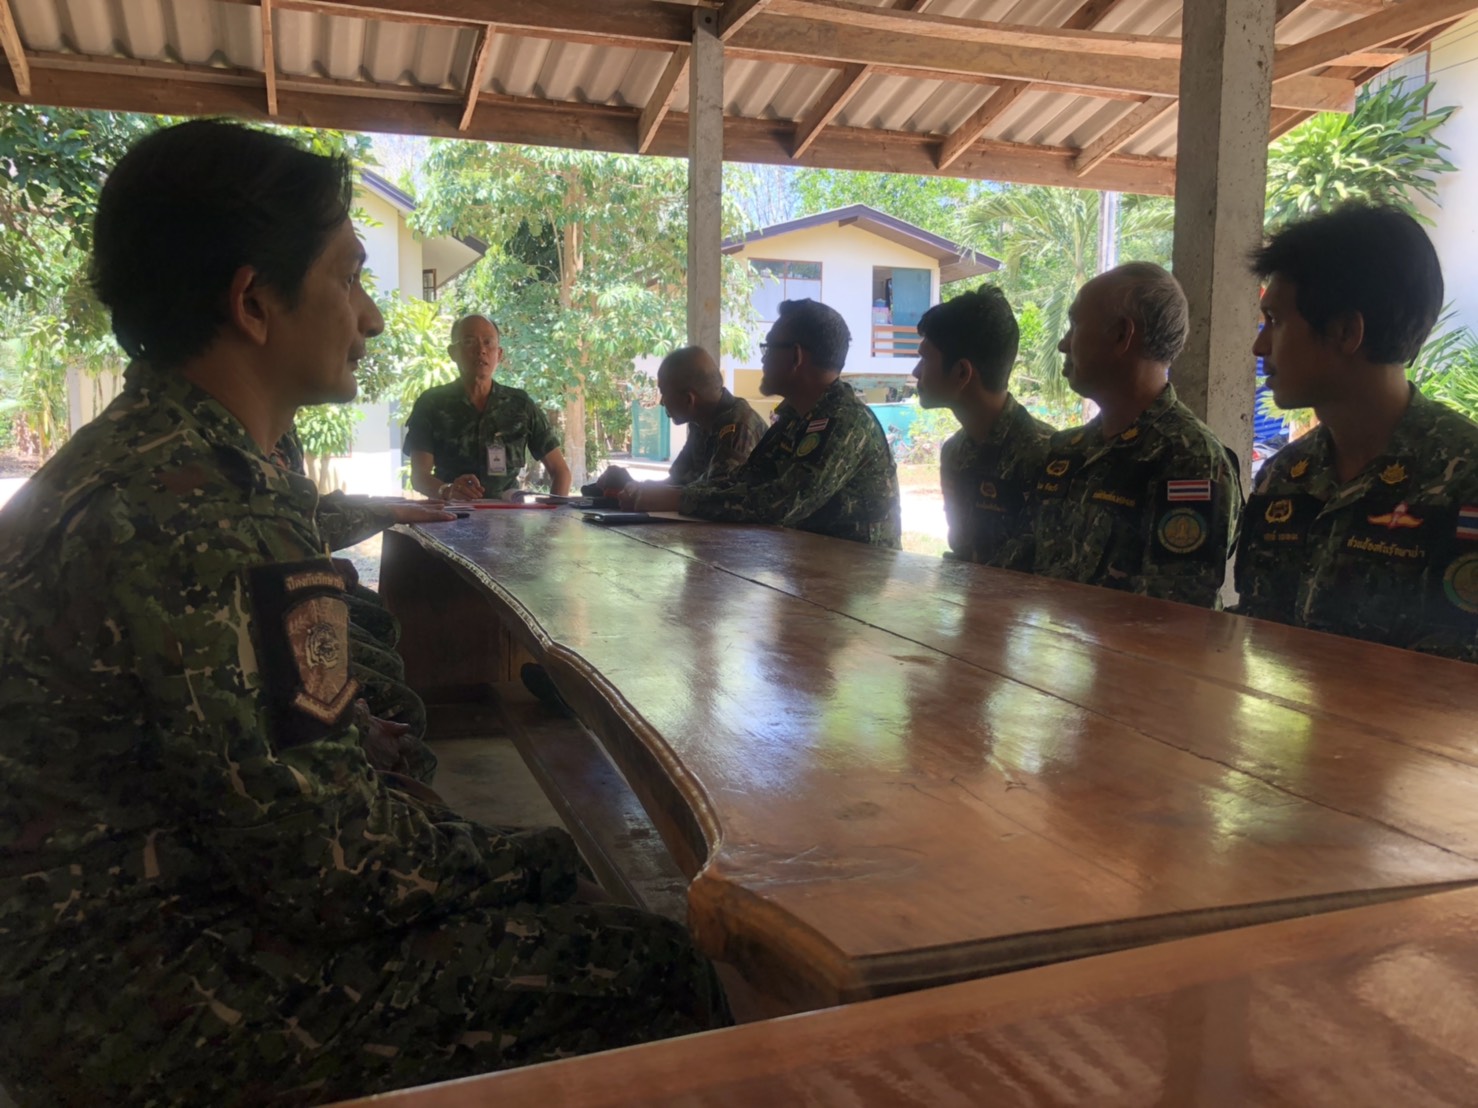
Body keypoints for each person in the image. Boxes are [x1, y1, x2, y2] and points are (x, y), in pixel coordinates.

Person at [0, 121, 727, 1107]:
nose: (373, 318)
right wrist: (549, 864)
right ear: (253, 303)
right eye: (349, 277)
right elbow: (334, 867)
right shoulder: (206, 507)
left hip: (95, 937)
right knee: (651, 967)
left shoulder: (142, 458)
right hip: (134, 992)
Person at [1235, 204, 1478, 661]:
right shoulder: (1285, 476)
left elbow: (1456, 684)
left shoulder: (1465, 478)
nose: (1259, 345)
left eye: (1276, 321)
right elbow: (1257, 635)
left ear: (1346, 331)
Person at [1016, 263, 1241, 606]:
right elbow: (1023, 568)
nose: (1063, 344)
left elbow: (1174, 615)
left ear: (1121, 334)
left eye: (1075, 325)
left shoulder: (1190, 459)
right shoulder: (1067, 451)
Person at [630, 300, 902, 549]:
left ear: (795, 357)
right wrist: (667, 494)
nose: (762, 358)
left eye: (768, 348)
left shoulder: (843, 421)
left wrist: (679, 499)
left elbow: (780, 504)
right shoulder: (794, 418)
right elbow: (744, 481)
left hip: (859, 577)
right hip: (812, 569)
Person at [911, 287, 1052, 567]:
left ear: (962, 372)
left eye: (925, 359)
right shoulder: (955, 452)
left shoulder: (1046, 456)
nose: (916, 372)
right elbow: (962, 553)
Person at [404, 314, 573, 500]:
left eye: (488, 342)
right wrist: (447, 490)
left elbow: (561, 472)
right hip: (451, 514)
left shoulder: (520, 404)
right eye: (469, 342)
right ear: (453, 353)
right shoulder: (432, 403)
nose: (481, 350)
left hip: (507, 515)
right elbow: (419, 476)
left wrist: (555, 515)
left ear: (499, 354)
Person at [600, 346, 766, 500]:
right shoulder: (699, 423)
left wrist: (641, 492)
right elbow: (676, 483)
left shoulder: (738, 428)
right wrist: (630, 484)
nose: (661, 402)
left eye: (664, 393)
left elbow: (715, 497)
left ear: (689, 399)